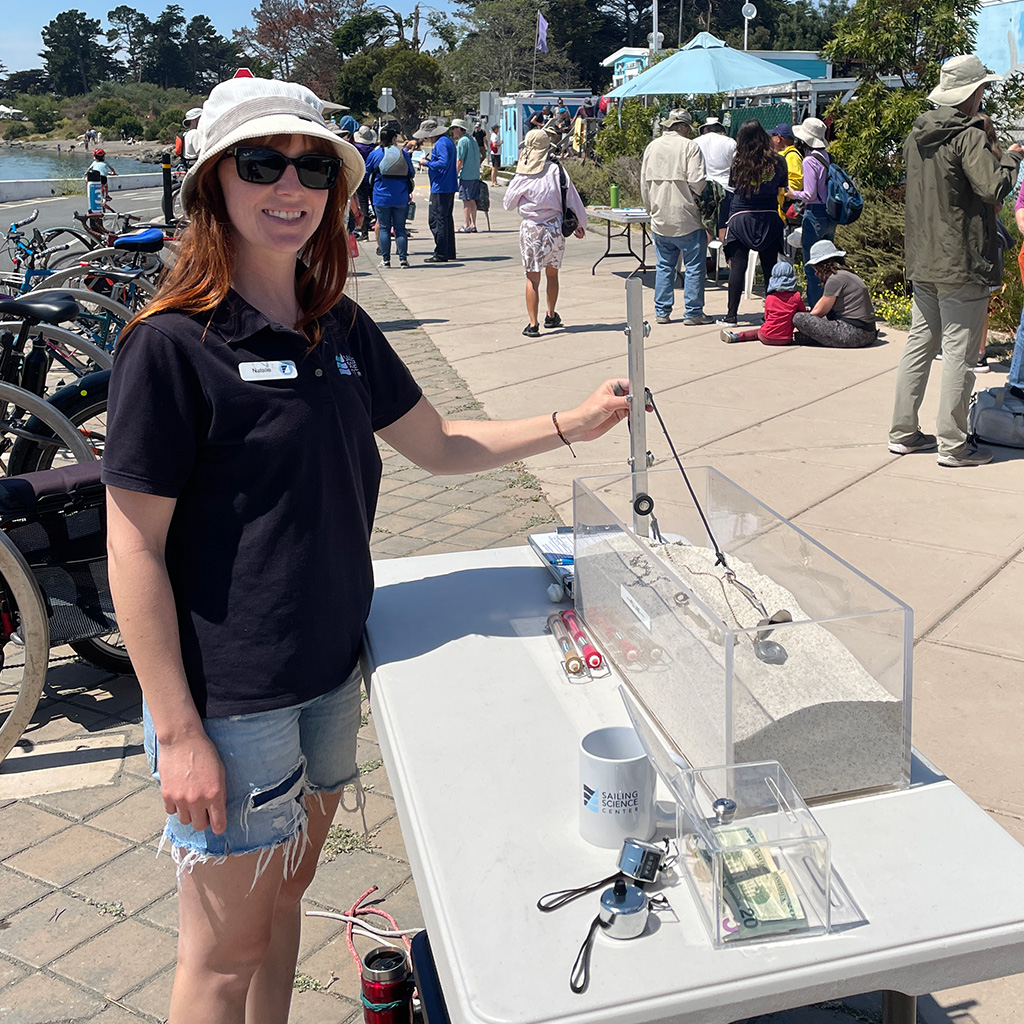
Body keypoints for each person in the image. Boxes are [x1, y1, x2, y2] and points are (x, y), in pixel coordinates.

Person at [102, 75, 631, 1024]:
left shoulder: (339, 326)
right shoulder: (171, 345)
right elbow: (133, 547)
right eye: (262, 163)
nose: (290, 186)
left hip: (332, 668)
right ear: (213, 183)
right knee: (221, 953)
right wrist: (177, 731)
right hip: (231, 695)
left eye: (313, 167)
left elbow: (438, 445)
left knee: (281, 909)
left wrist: (572, 424)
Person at [889, 54, 1023, 467]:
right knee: (959, 356)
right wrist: (1012, 155)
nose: (984, 95)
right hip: (961, 260)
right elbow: (993, 188)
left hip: (924, 257)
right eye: (982, 89)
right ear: (971, 94)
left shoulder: (917, 135)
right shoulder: (968, 135)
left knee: (919, 346)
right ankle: (954, 444)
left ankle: (903, 432)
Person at [503, 128, 587, 337]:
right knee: (552, 273)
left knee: (532, 278)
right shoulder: (557, 171)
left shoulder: (523, 174)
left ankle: (533, 324)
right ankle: (551, 315)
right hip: (555, 228)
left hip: (531, 228)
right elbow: (572, 198)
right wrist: (580, 224)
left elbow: (508, 204)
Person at [640, 108, 711, 327]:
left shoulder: (652, 147)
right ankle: (693, 311)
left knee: (664, 266)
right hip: (687, 216)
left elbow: (644, 184)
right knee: (694, 267)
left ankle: (662, 311)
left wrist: (651, 209)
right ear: (683, 127)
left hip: (660, 216)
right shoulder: (690, 147)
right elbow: (698, 182)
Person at [719, 120, 787, 327]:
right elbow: (781, 188)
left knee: (738, 267)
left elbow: (733, 186)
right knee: (770, 269)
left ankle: (731, 316)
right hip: (769, 217)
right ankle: (770, 314)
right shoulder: (778, 161)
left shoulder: (739, 161)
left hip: (741, 216)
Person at [790, 241, 876, 347]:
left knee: (799, 318)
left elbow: (820, 311)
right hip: (868, 332)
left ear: (820, 265)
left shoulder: (834, 279)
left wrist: (799, 323)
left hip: (854, 333)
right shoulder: (846, 274)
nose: (815, 271)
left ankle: (808, 337)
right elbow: (822, 304)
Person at [787, 117, 833, 307]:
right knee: (827, 265)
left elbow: (809, 193)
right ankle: (829, 306)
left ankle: (816, 310)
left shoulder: (808, 160)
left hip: (814, 213)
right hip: (829, 213)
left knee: (812, 265)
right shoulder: (825, 156)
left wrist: (792, 193)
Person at [364, 125, 415, 268]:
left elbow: (366, 173)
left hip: (381, 196)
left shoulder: (376, 154)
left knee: (385, 228)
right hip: (401, 196)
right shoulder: (402, 154)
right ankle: (403, 259)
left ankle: (385, 260)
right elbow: (411, 172)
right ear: (393, 138)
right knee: (400, 228)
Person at [720, 260, 806, 345]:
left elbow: (767, 317)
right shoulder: (796, 297)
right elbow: (803, 315)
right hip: (786, 339)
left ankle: (737, 336)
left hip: (766, 337)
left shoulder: (770, 298)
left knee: (757, 332)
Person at [416, 117, 457, 263]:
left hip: (441, 186)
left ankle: (441, 252)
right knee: (446, 219)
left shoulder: (440, 144)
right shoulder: (447, 142)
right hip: (447, 185)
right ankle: (449, 250)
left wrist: (427, 163)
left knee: (436, 219)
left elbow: (443, 163)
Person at [695, 116, 737, 244]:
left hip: (703, 188)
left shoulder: (695, 142)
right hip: (726, 188)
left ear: (704, 129)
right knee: (724, 226)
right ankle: (729, 257)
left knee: (705, 225)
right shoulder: (730, 142)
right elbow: (735, 165)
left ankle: (702, 258)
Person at [451, 118, 480, 233]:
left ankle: (466, 225)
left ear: (459, 129)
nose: (453, 131)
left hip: (466, 175)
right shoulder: (472, 140)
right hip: (475, 174)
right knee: (472, 200)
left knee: (466, 200)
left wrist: (454, 174)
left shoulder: (462, 141)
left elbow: (460, 160)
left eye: (454, 128)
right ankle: (473, 224)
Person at [769, 123, 802, 222]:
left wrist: (778, 188)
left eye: (773, 137)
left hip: (786, 212)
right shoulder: (784, 155)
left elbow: (796, 183)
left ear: (779, 138)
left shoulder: (792, 156)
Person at [353, 125, 377, 241]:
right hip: (373, 179)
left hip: (361, 178)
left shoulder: (356, 147)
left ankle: (364, 232)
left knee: (363, 205)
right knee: (375, 204)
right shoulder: (375, 148)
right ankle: (379, 227)